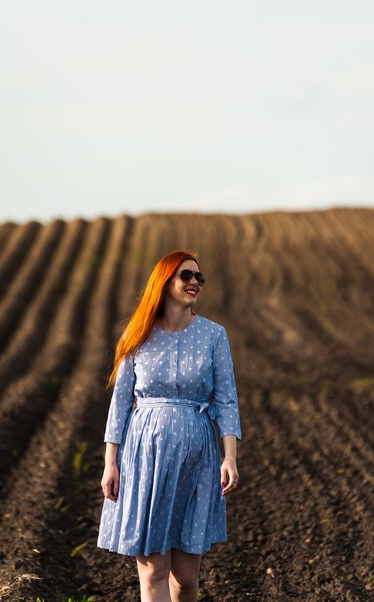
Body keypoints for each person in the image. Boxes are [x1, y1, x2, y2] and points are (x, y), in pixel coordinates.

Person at [97, 249, 241, 602]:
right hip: (145, 456)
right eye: (186, 276)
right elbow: (119, 404)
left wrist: (230, 457)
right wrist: (110, 463)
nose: (195, 283)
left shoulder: (213, 335)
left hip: (197, 459)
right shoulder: (137, 335)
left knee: (186, 578)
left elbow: (226, 399)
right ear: (164, 282)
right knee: (153, 571)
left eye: (199, 278)